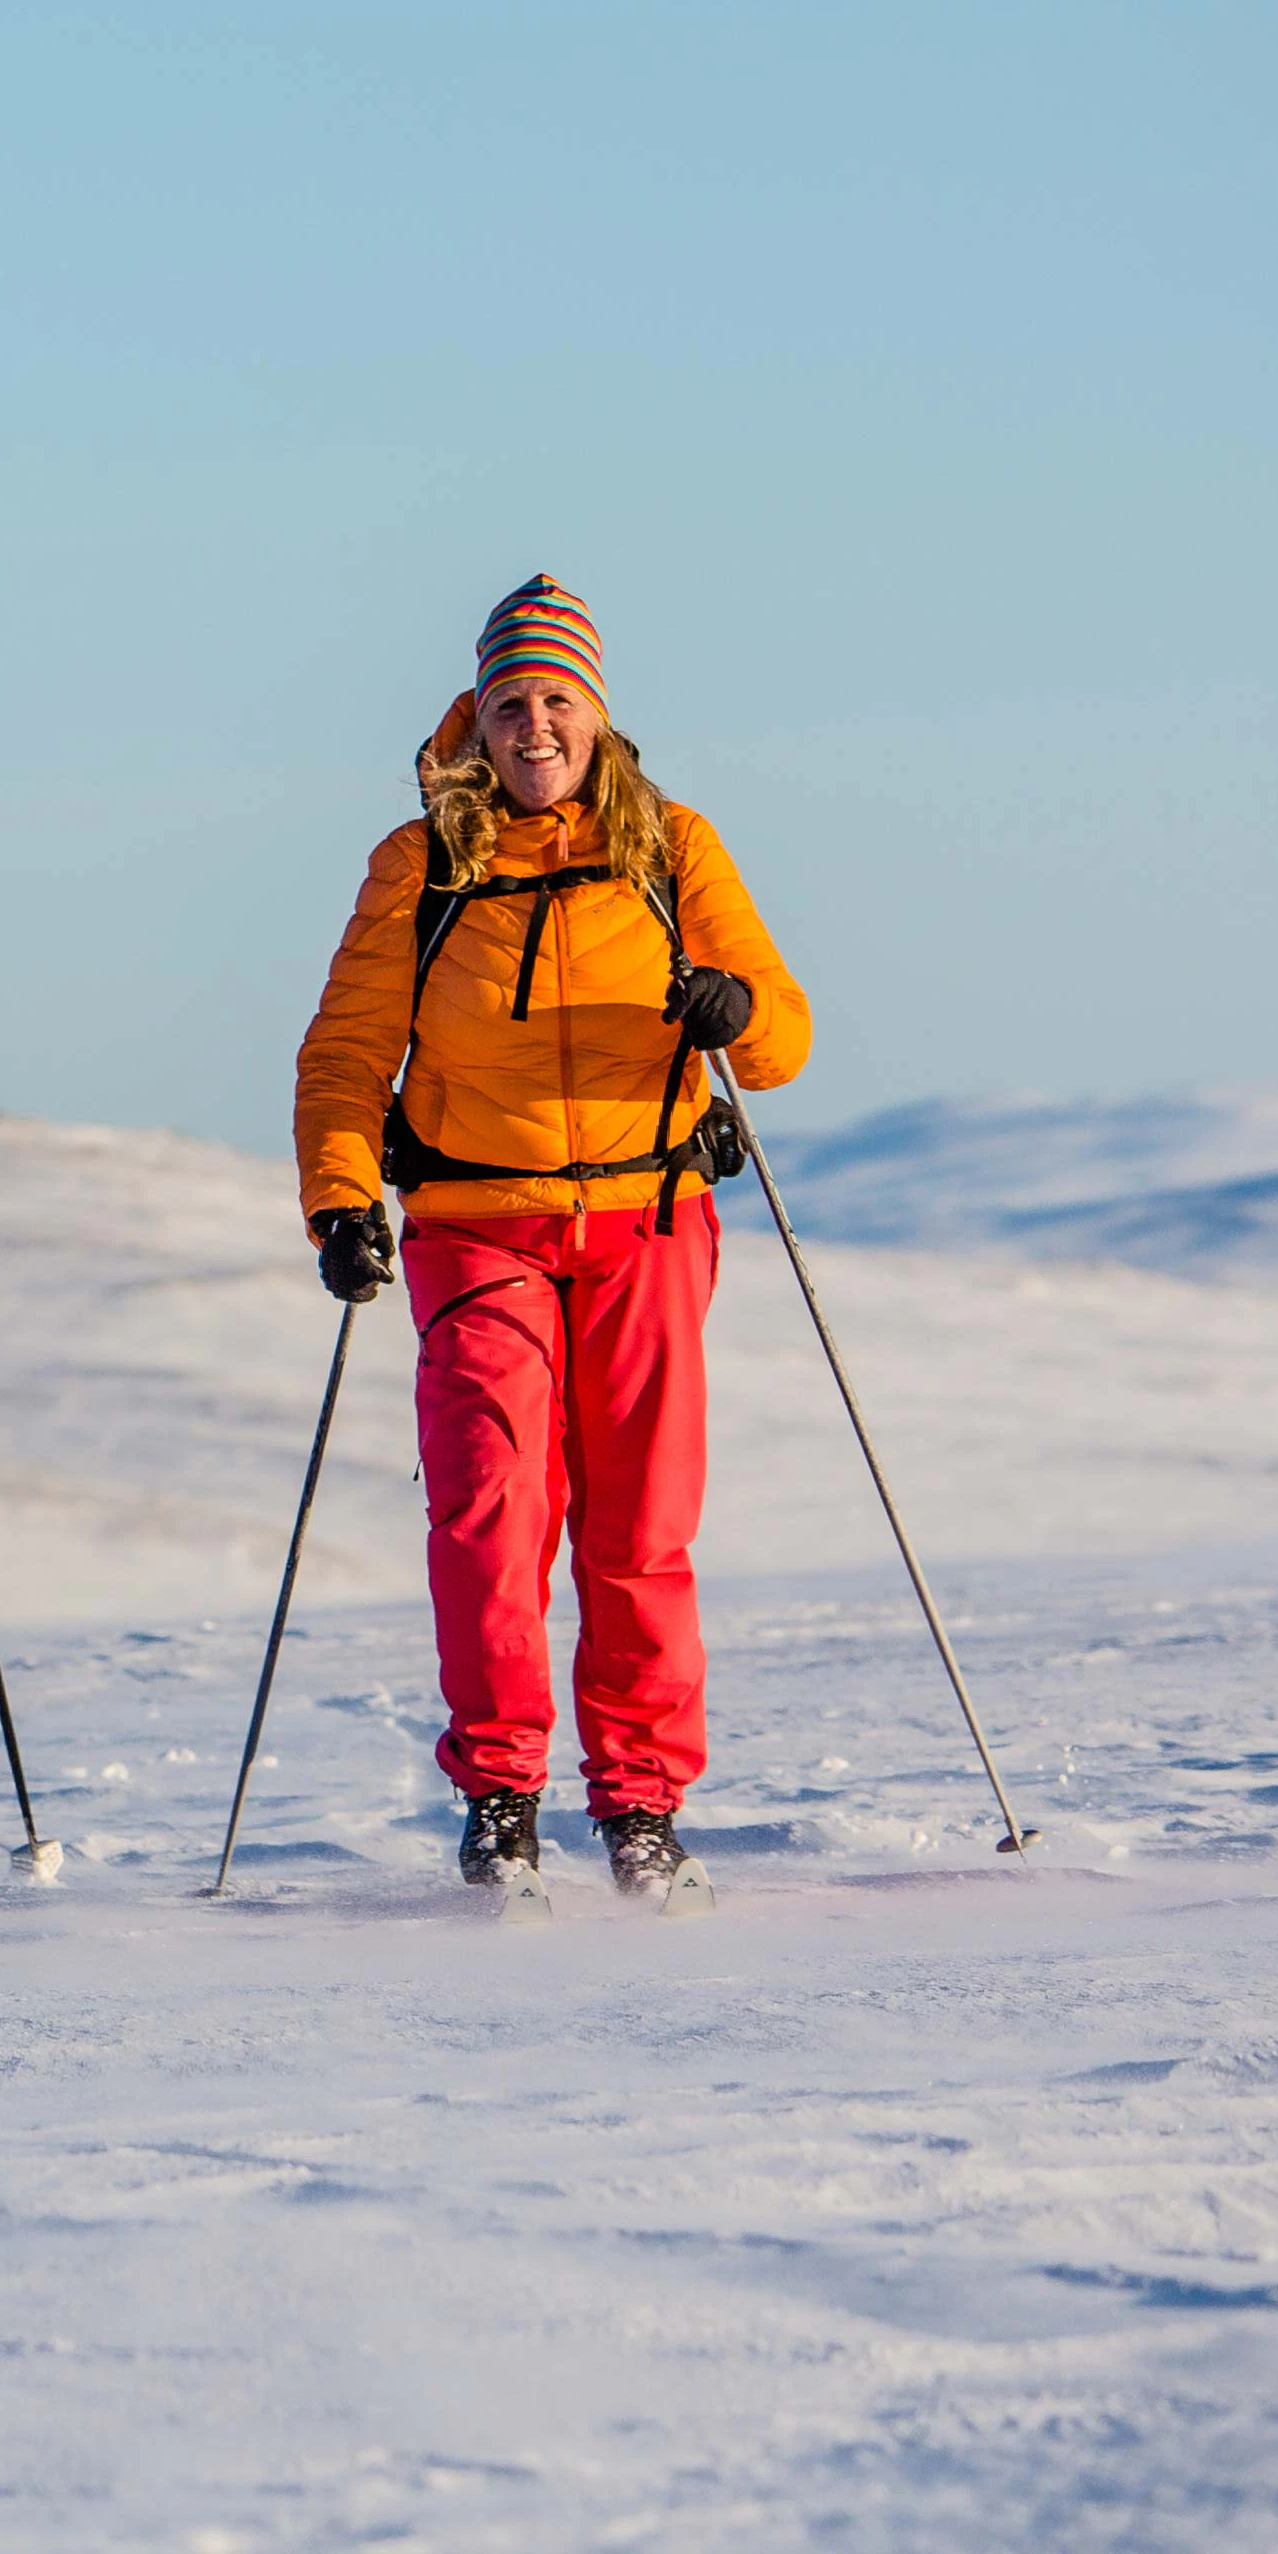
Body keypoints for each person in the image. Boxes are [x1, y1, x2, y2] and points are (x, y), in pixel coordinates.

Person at [289, 577, 812, 1901]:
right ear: (479, 717)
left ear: (597, 714)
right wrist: (341, 1199)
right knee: (491, 1513)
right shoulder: (421, 864)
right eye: (512, 701)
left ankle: (641, 1803)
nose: (535, 725)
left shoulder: (672, 846)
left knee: (641, 1523)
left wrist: (733, 1007)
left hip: (648, 1217)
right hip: (477, 1226)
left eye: (557, 700)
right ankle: (501, 1798)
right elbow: (346, 1051)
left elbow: (782, 1041)